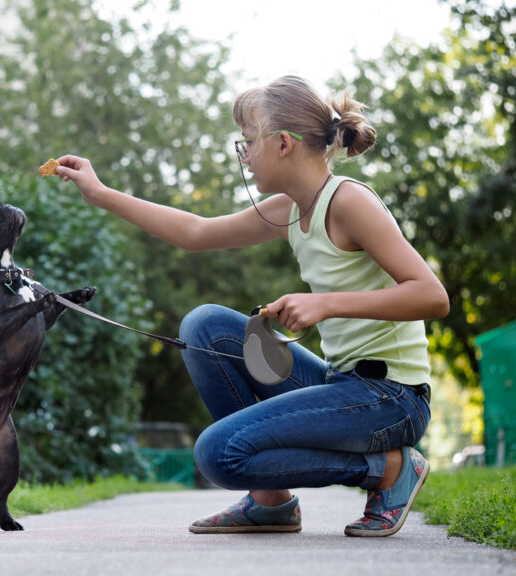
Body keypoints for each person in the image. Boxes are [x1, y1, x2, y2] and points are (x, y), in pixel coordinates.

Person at [54, 75, 450, 537]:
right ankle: (271, 503)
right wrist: (99, 192)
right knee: (205, 327)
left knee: (217, 455)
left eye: (247, 142)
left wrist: (324, 304)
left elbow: (432, 296)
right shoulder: (288, 208)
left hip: (392, 399)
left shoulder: (350, 201)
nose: (243, 154)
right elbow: (195, 233)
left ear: (283, 143)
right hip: (339, 381)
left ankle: (389, 470)